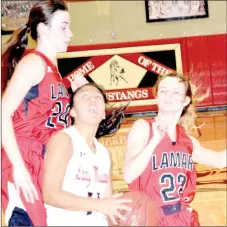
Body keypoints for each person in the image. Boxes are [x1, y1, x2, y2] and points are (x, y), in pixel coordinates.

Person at [1, 0, 87, 226]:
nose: (71, 33)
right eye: (64, 26)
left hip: (44, 160)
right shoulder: (33, 63)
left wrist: (75, 94)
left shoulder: (54, 72)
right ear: (42, 29)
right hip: (25, 157)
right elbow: (2, 114)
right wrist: (18, 168)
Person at [123, 73, 226, 226]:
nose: (168, 96)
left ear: (185, 100)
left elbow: (220, 160)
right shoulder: (143, 128)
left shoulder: (187, 141)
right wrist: (153, 142)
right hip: (149, 217)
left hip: (181, 217)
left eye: (176, 92)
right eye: (163, 91)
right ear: (157, 96)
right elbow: (128, 175)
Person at [42, 83, 132, 226]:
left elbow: (107, 203)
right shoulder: (64, 140)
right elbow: (50, 194)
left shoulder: (104, 153)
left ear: (103, 113)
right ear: (72, 112)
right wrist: (99, 205)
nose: (92, 100)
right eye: (85, 96)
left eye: (98, 98)